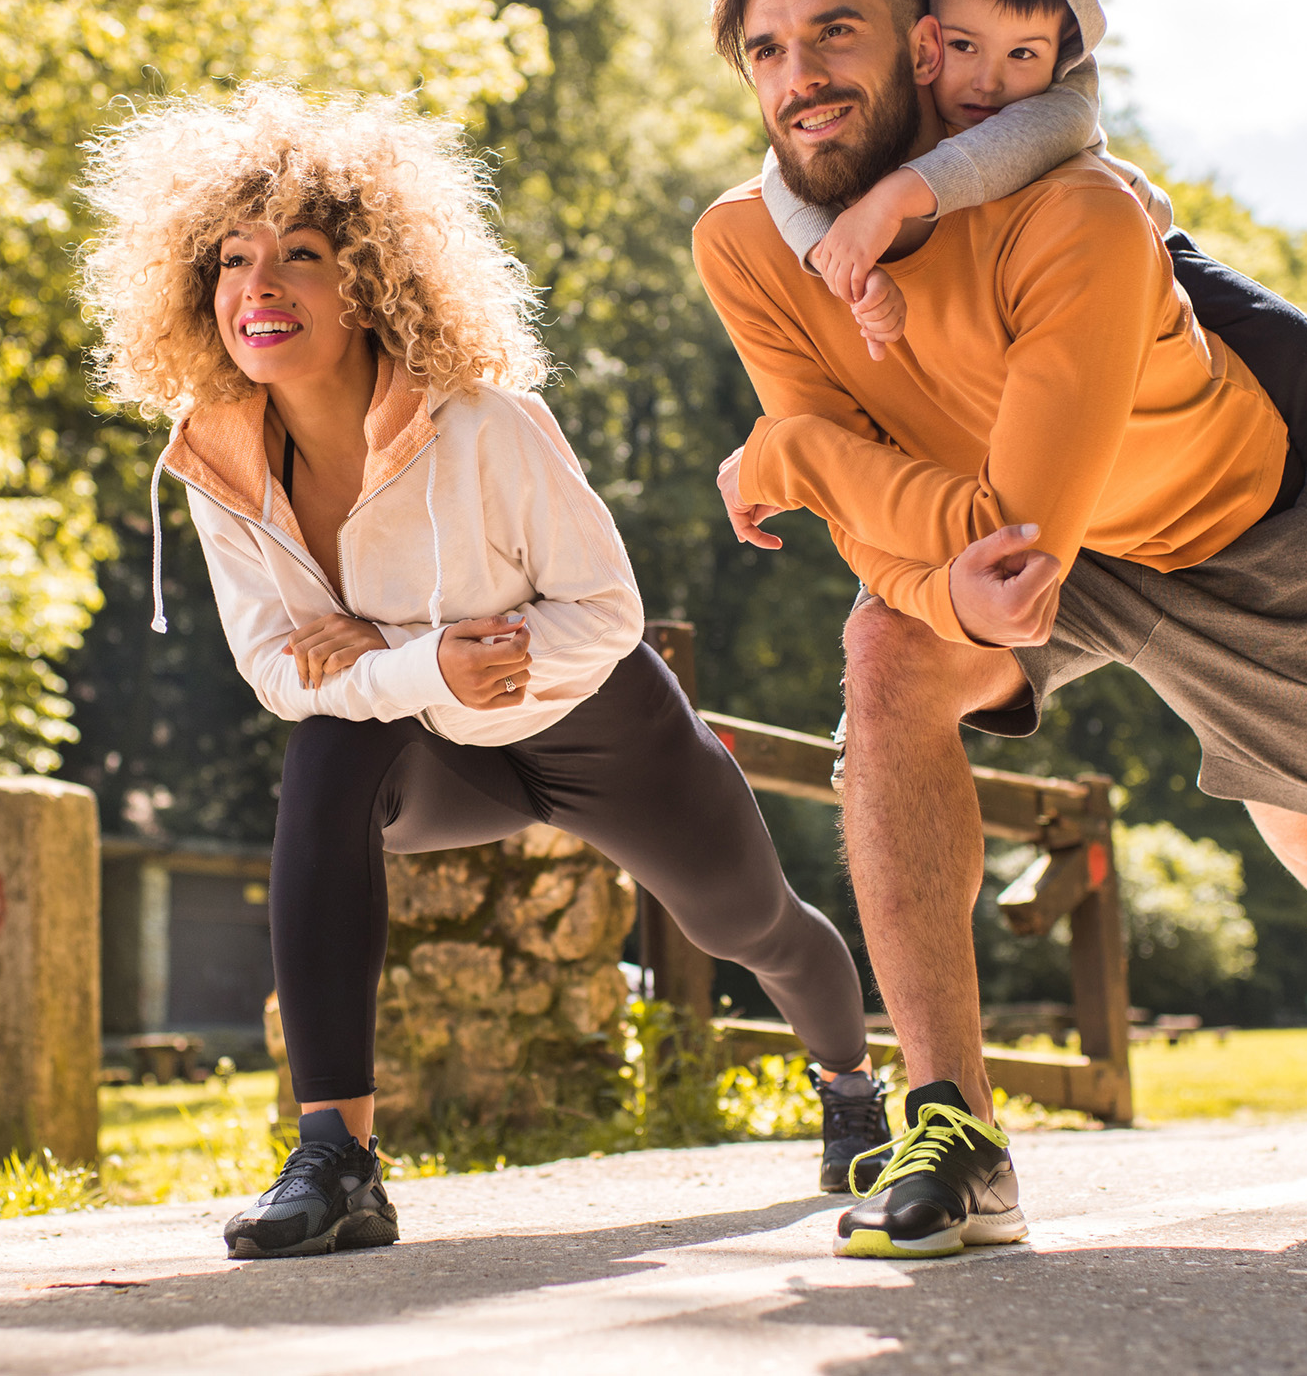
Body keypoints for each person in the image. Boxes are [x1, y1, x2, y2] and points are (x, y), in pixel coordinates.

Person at [693, 0, 1307, 1262]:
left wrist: (799, 455)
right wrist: (823, 460)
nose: (799, 72)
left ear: (928, 50)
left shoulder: (1077, 212)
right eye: (765, 48)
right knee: (885, 652)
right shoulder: (747, 246)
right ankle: (955, 1129)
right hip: (1031, 545)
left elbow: (999, 534)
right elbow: (909, 537)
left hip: (1218, 532)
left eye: (835, 31)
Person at [78, 84, 884, 1262]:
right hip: (440, 753)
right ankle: (337, 1160)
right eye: (233, 258)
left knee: (747, 923)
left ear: (370, 280)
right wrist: (428, 667)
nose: (260, 286)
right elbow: (276, 669)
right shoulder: (217, 458)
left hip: (601, 729)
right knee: (325, 755)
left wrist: (402, 661)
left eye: (301, 254)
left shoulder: (487, 422)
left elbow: (607, 614)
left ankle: (853, 1084)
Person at [760, 0, 1307, 615]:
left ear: (1064, 55)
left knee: (1282, 333)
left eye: (1024, 55)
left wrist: (891, 199)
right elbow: (777, 173)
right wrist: (831, 257)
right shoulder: (886, 96)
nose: (989, 82)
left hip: (1133, 259)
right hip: (986, 316)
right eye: (965, 45)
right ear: (925, 38)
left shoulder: (1059, 105)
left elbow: (1000, 145)